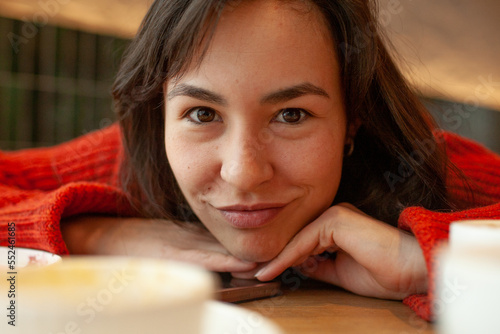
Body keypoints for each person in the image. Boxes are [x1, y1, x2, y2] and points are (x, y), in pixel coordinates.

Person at [1, 0, 499, 321]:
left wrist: (420, 263)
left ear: (354, 120)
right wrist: (100, 233)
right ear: (158, 117)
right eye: (201, 113)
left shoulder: (428, 165)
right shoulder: (128, 161)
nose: (242, 171)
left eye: (290, 114)